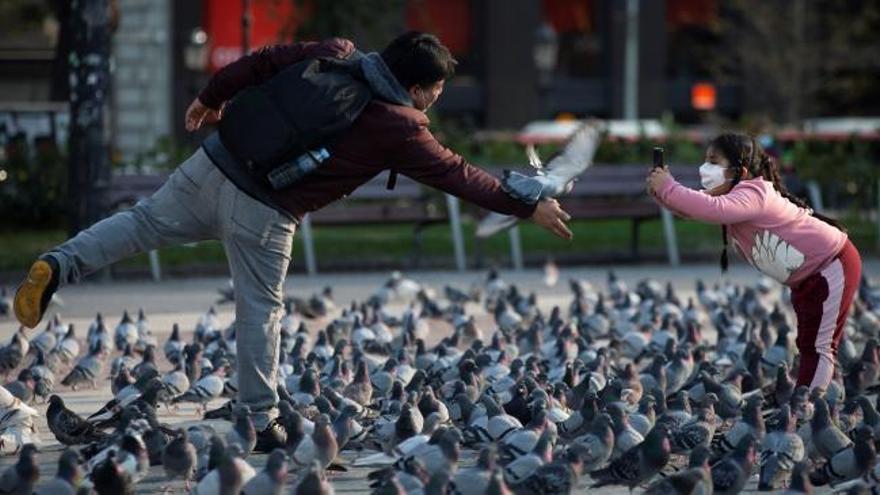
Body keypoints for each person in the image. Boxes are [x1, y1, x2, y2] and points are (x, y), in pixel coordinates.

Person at [13, 32, 572, 449]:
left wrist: (211, 97)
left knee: (139, 224)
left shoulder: (333, 52)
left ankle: (59, 265)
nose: (436, 99)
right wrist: (528, 203)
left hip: (214, 164)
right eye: (436, 90)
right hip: (265, 211)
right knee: (260, 310)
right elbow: (459, 174)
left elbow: (259, 62)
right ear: (418, 87)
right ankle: (261, 419)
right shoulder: (401, 126)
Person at [646, 133, 861, 391]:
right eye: (706, 161)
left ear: (742, 171)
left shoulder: (754, 192)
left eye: (714, 162)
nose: (705, 169)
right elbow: (695, 209)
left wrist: (668, 186)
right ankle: (809, 400)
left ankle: (807, 409)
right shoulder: (738, 197)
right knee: (808, 342)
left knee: (818, 345)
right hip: (809, 277)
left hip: (832, 265)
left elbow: (710, 208)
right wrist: (663, 193)